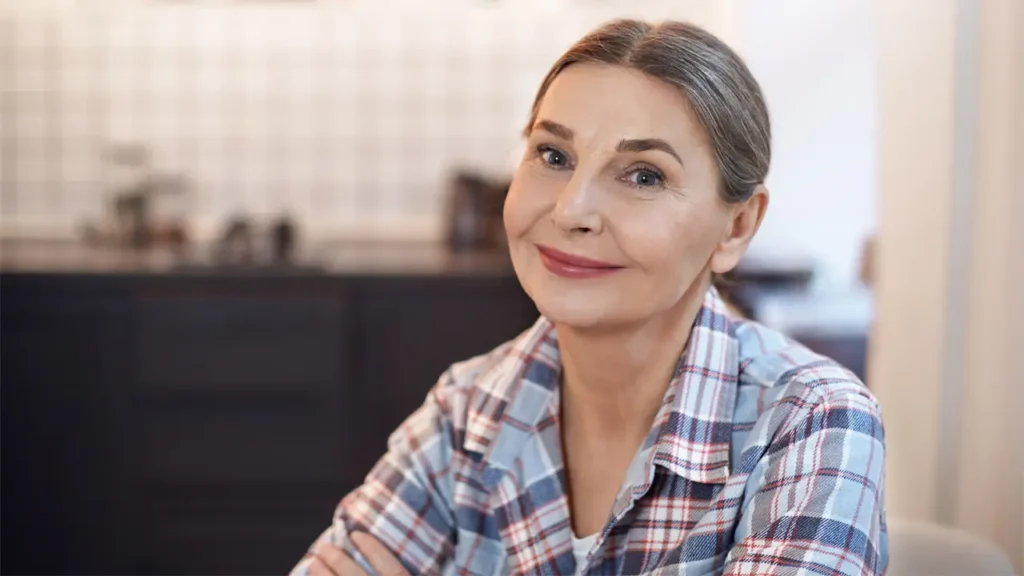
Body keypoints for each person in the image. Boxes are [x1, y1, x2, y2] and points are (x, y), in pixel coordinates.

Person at [291, 18, 887, 576]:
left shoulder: (812, 422)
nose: (570, 209)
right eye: (553, 156)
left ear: (735, 228)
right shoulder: (466, 412)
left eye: (644, 175)